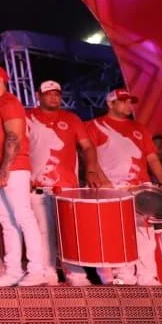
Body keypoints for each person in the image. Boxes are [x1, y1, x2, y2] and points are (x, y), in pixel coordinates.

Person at [0, 65, 52, 287]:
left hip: (13, 169)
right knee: (7, 221)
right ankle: (13, 270)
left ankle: (37, 270)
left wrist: (5, 169)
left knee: (23, 217)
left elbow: (14, 137)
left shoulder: (9, 102)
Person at [26, 80, 107, 286]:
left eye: (57, 94)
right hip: (38, 187)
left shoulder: (71, 118)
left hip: (67, 187)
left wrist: (91, 170)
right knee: (44, 232)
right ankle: (49, 273)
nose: (54, 97)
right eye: (48, 94)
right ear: (39, 95)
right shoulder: (28, 117)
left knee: (70, 231)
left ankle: (76, 274)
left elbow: (87, 146)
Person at [86, 89, 162, 285]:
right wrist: (103, 180)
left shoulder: (140, 128)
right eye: (123, 102)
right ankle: (124, 275)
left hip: (141, 186)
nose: (128, 105)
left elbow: (152, 157)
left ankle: (147, 276)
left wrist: (161, 183)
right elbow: (90, 155)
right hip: (114, 186)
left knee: (145, 232)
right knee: (117, 232)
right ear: (110, 104)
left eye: (130, 102)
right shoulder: (95, 125)